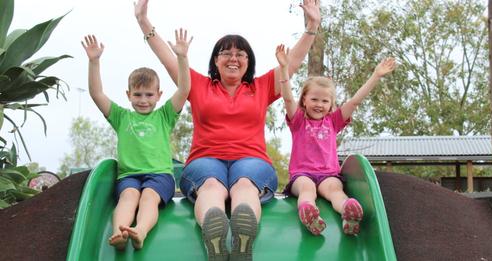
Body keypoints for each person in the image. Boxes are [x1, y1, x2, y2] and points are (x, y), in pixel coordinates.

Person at [134, 0, 320, 259]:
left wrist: (312, 25)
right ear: (216, 60)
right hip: (205, 160)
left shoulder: (261, 86)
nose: (233, 58)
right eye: (226, 53)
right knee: (211, 186)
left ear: (248, 61)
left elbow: (294, 60)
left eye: (240, 54)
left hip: (251, 160)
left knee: (244, 185)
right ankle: (215, 230)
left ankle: (244, 237)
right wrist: (143, 20)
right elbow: (167, 58)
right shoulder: (198, 85)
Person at [80, 29, 193, 250]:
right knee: (128, 198)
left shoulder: (164, 115)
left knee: (148, 198)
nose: (143, 100)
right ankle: (119, 234)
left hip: (160, 176)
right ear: (128, 95)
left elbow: (185, 88)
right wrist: (94, 62)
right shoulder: (122, 117)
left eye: (149, 95)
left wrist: (181, 57)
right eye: (138, 95)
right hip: (129, 176)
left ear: (159, 95)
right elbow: (97, 94)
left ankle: (140, 230)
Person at [275, 43, 396, 236]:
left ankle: (348, 211)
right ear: (304, 100)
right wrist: (283, 69)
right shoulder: (298, 121)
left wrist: (376, 76)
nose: (319, 104)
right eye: (314, 99)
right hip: (302, 174)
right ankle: (308, 212)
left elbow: (355, 101)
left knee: (335, 192)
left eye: (325, 101)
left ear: (331, 104)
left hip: (329, 174)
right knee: (307, 190)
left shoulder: (333, 121)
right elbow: (287, 99)